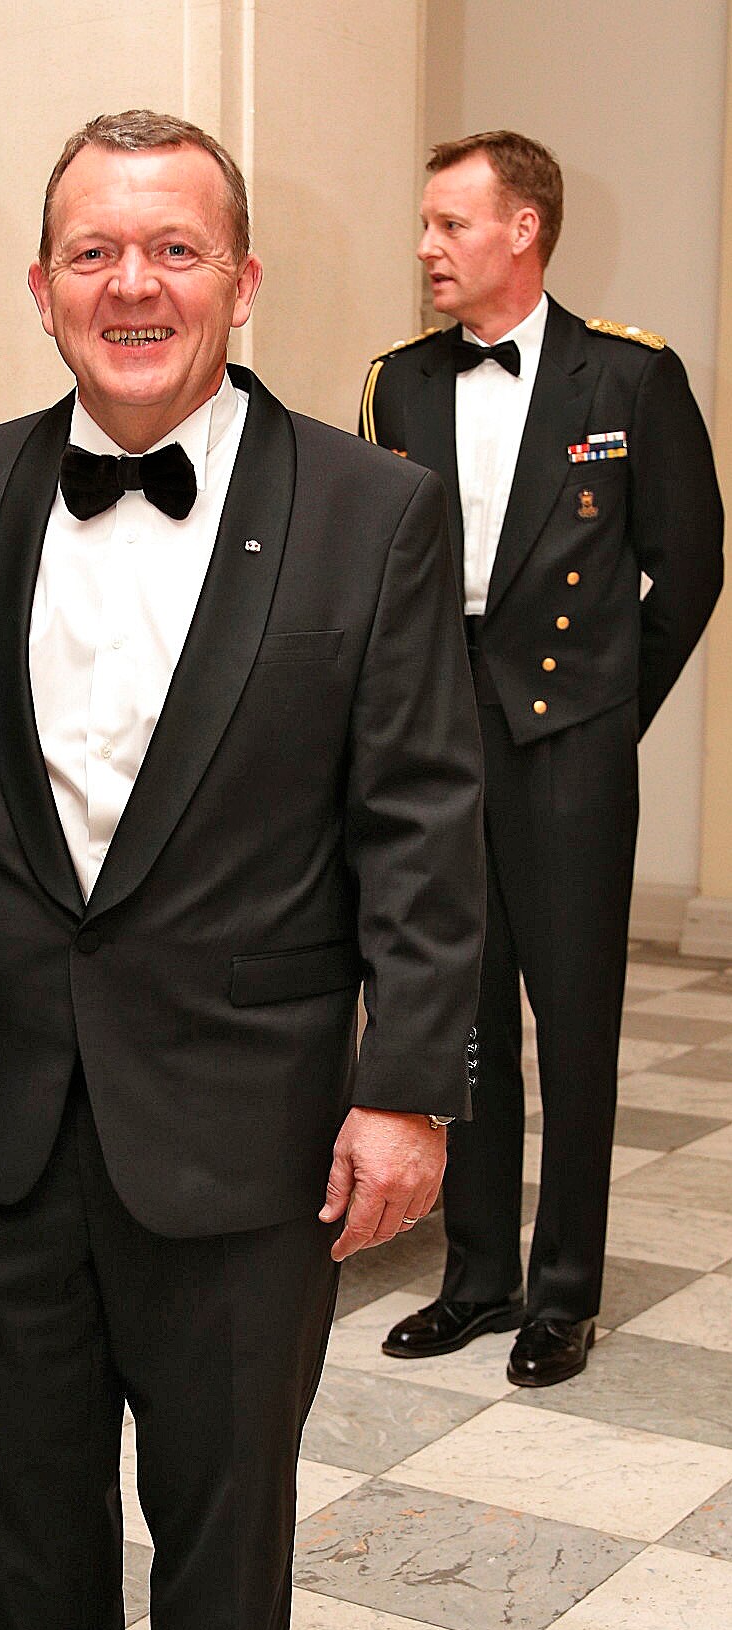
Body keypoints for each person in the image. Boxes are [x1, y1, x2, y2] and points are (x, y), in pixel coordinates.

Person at [0, 111, 485, 1630]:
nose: (131, 283)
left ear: (241, 282)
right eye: (93, 249)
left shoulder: (367, 508)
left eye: (172, 249)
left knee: (219, 1510)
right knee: (22, 1501)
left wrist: (404, 1085)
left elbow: (420, 814)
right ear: (39, 285)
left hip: (245, 1112)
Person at [365, 132, 724, 1386]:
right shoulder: (397, 383)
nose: (427, 247)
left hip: (569, 736)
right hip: (438, 733)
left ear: (524, 230)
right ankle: (477, 1275)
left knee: (573, 1027)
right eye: (426, 223)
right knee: (458, 1015)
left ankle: (564, 1291)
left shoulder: (628, 375)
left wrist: (608, 711)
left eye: (451, 224)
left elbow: (691, 567)